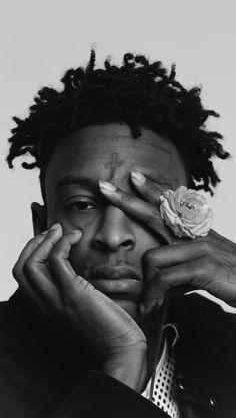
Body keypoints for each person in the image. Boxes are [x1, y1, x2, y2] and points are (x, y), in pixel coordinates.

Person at [3, 50, 236, 418]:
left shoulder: (224, 342)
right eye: (82, 204)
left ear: (193, 227)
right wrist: (122, 361)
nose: (113, 237)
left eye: (147, 205)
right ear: (41, 225)